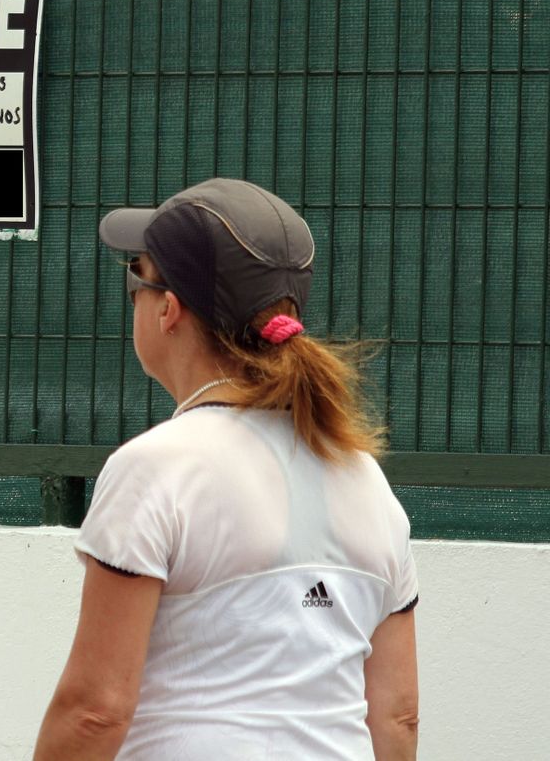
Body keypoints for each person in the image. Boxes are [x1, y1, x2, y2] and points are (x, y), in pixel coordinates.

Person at [35, 178, 419, 761]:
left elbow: (95, 709)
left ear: (169, 308)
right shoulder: (366, 479)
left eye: (135, 275)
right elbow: (397, 718)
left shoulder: (154, 469)